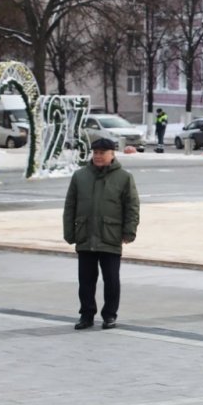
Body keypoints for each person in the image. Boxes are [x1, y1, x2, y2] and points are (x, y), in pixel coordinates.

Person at [63, 137, 140, 330]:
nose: (97, 156)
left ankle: (110, 315)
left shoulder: (124, 177)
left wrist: (129, 231)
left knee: (111, 280)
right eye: (95, 152)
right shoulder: (80, 176)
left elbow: (132, 207)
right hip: (85, 235)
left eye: (102, 153)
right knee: (86, 281)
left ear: (112, 154)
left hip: (110, 235)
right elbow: (70, 206)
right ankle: (86, 315)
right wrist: (69, 232)